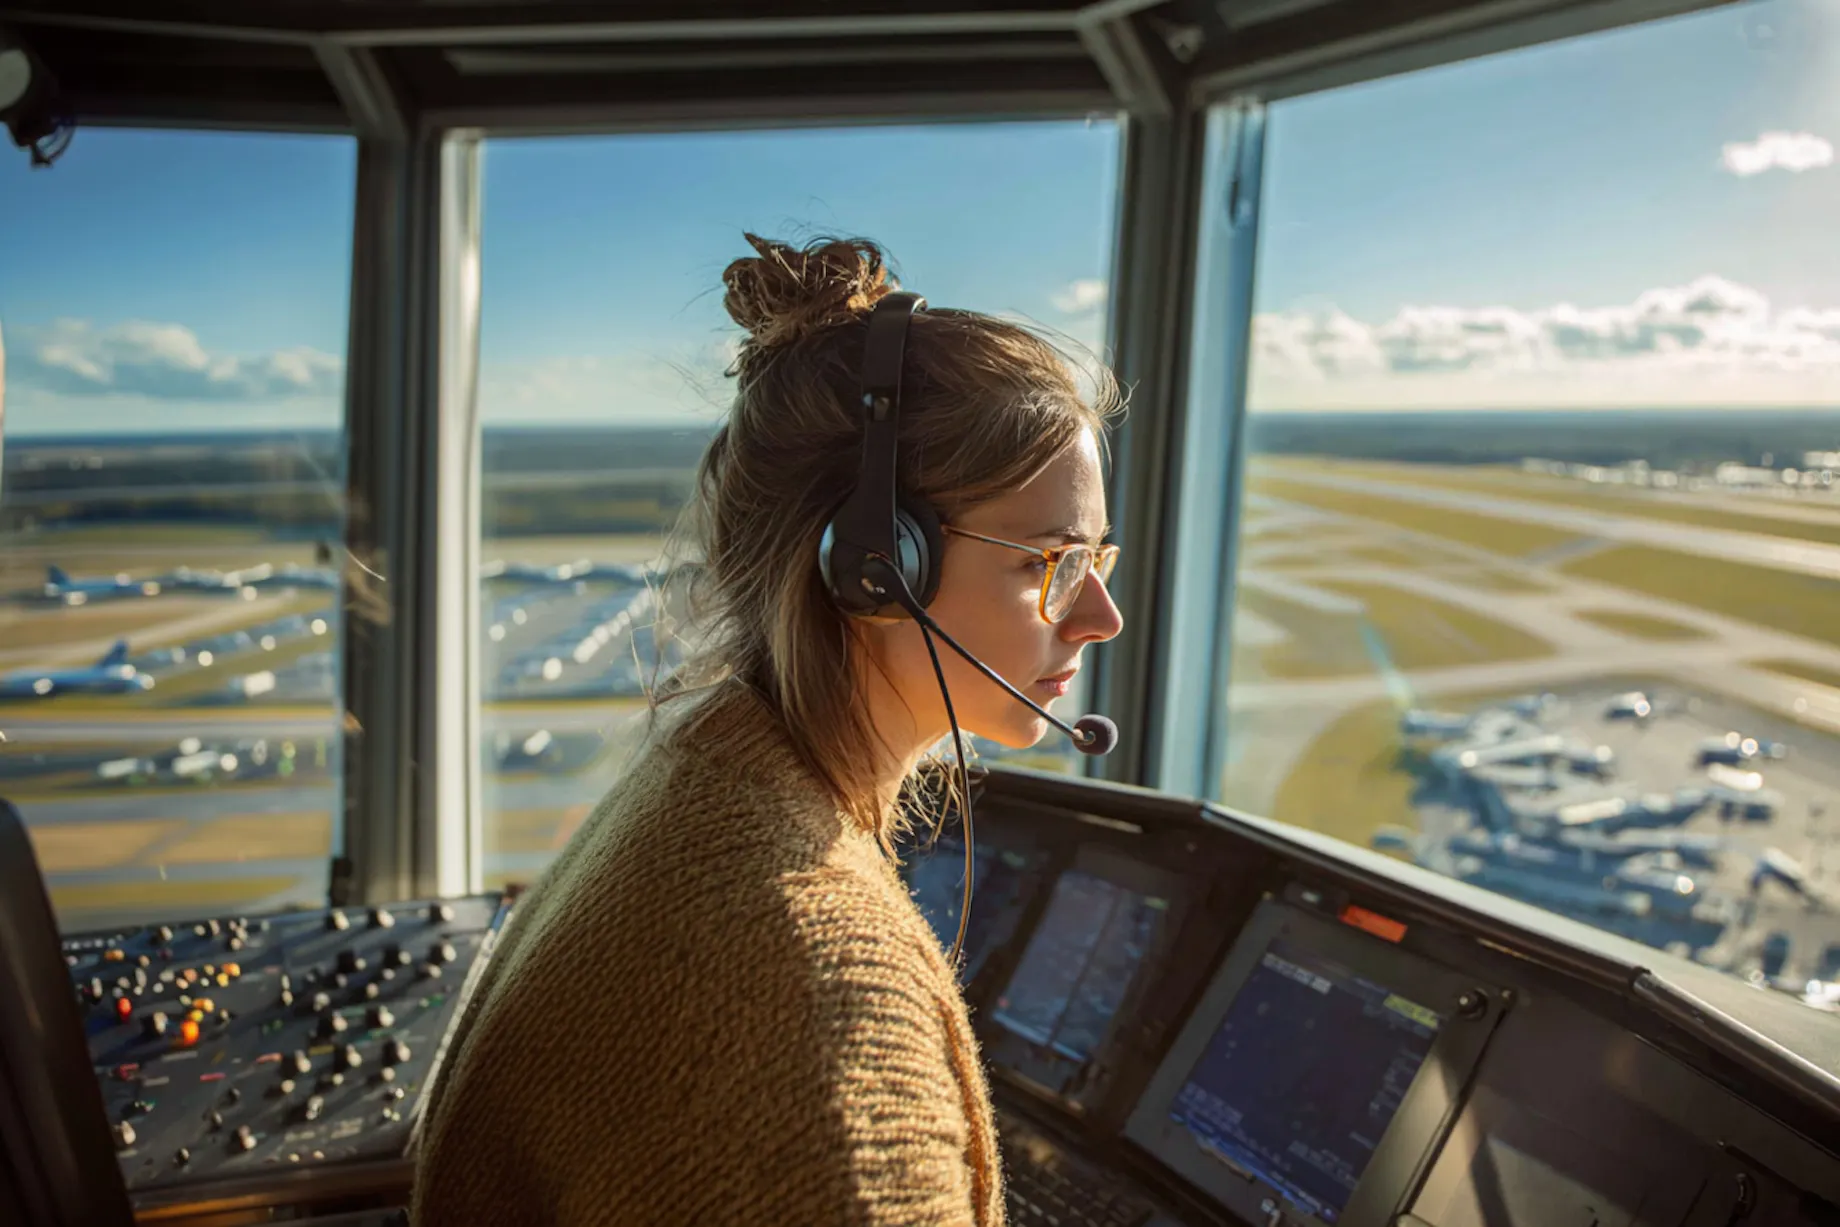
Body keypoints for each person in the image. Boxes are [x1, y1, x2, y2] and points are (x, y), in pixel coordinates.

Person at [410, 234, 1124, 1227]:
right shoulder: (823, 992)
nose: (1098, 617)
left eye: (1098, 558)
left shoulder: (698, 779)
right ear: (876, 567)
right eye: (1047, 562)